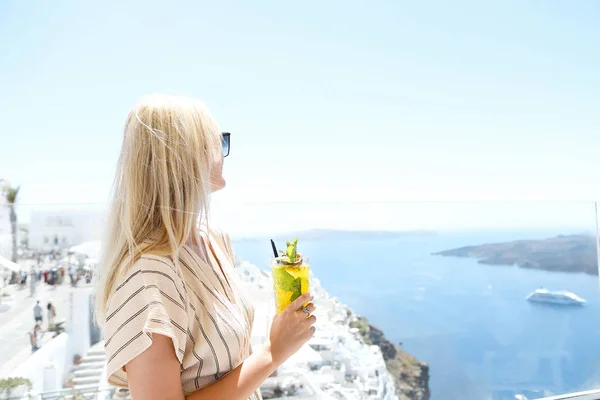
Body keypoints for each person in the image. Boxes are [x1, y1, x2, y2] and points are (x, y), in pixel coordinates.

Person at [94, 95, 317, 400]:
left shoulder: (213, 241)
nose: (224, 154)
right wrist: (273, 353)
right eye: (217, 142)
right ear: (183, 157)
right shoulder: (147, 276)